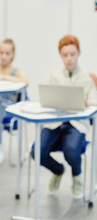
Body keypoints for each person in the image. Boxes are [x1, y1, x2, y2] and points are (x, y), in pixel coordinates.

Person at [31, 35, 97, 199]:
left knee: (71, 151)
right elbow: (45, 98)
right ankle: (58, 171)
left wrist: (86, 101)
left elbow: (95, 100)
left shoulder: (87, 78)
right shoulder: (53, 75)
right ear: (60, 55)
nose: (69, 59)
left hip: (76, 124)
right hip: (53, 123)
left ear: (78, 53)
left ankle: (77, 177)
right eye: (65, 55)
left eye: (72, 54)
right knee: (37, 151)